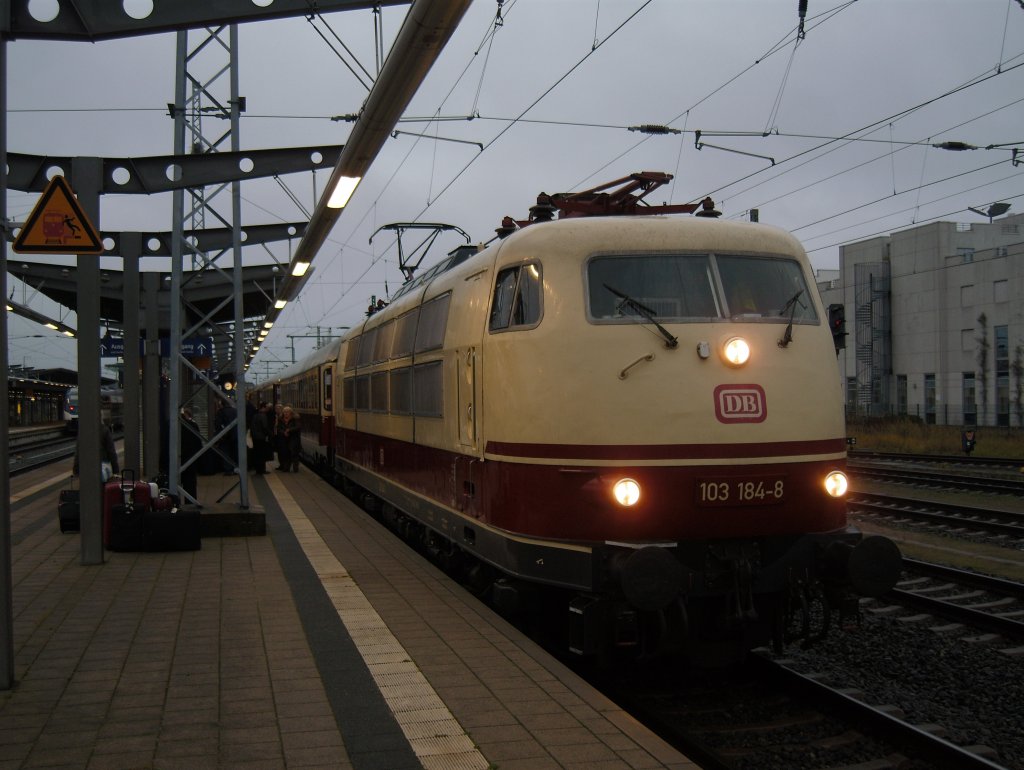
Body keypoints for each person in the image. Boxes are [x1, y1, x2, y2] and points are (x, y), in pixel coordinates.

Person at [179, 407, 202, 503]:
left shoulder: (172, 426)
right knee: (190, 485)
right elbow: (198, 443)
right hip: (190, 459)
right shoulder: (193, 425)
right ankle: (190, 504)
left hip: (177, 459)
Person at [249, 402, 272, 474]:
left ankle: (258, 469)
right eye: (267, 408)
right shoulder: (263, 416)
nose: (268, 409)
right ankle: (262, 470)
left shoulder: (255, 415)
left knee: (257, 454)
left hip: (255, 437)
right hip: (261, 437)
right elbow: (264, 427)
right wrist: (269, 434)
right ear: (264, 407)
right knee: (262, 454)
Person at [277, 406, 301, 472]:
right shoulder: (281, 419)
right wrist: (284, 432)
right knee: (286, 454)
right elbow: (279, 428)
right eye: (284, 412)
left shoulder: (295, 419)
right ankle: (286, 468)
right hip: (285, 439)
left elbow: (298, 427)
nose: (286, 413)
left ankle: (295, 468)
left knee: (294, 454)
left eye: (287, 412)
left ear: (291, 412)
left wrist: (289, 430)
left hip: (293, 439)